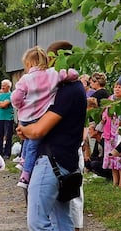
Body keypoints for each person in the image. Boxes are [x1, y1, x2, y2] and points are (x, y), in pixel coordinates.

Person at [17, 40, 86, 231]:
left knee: (36, 221)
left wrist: (25, 129)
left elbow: (37, 130)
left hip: (51, 162)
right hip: (66, 163)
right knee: (62, 224)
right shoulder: (73, 88)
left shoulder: (67, 91)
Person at [11, 46, 79, 189]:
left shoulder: (26, 78)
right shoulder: (53, 74)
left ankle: (25, 173)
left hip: (26, 116)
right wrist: (73, 74)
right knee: (32, 145)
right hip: (42, 116)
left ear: (29, 63)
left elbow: (16, 97)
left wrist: (19, 105)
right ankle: (24, 162)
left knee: (30, 143)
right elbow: (71, 74)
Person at [0, 79, 15, 158]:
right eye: (2, 85)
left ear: (8, 87)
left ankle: (7, 154)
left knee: (8, 136)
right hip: (0, 118)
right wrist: (1, 103)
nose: (2, 87)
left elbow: (4, 105)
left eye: (4, 86)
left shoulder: (11, 95)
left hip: (8, 118)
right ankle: (0, 152)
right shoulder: (0, 95)